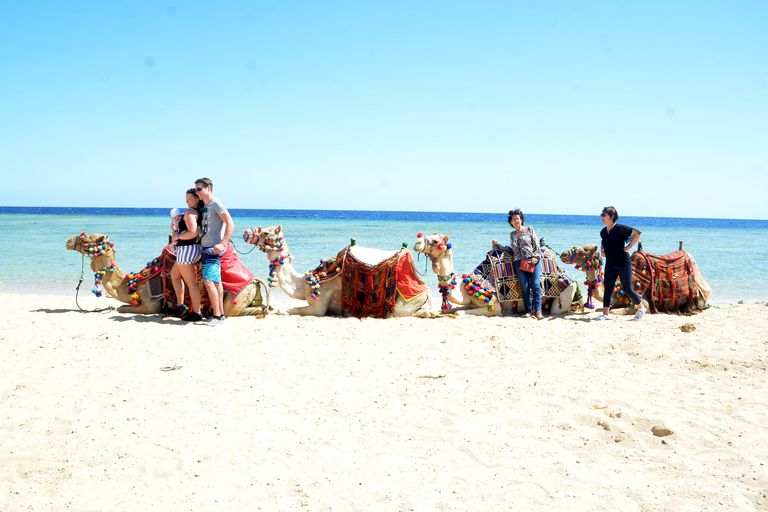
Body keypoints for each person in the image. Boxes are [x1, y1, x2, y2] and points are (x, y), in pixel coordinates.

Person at [594, 206, 647, 321]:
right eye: (601, 215)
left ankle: (641, 308)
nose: (602, 217)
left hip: (623, 263)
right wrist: (603, 251)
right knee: (608, 288)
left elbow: (638, 233)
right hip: (610, 263)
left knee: (627, 289)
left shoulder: (620, 229)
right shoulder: (603, 231)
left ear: (612, 216)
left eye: (604, 215)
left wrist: (629, 247)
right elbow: (603, 242)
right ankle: (605, 314)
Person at [193, 177, 234, 326]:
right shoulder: (205, 206)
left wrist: (223, 243)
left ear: (208, 188)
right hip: (206, 247)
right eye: (196, 189)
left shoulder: (216, 203)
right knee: (216, 282)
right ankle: (220, 314)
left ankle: (216, 316)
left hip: (213, 248)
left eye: (199, 189)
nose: (197, 192)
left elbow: (230, 224)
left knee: (209, 281)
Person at [492, 209, 543, 320]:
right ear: (511, 222)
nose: (516, 221)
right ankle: (528, 311)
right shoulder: (512, 234)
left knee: (535, 285)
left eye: (518, 218)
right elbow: (513, 251)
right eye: (513, 219)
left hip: (532, 260)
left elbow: (536, 245)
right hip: (518, 262)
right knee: (524, 287)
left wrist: (535, 257)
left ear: (521, 220)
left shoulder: (529, 229)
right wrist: (501, 247)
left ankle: (538, 311)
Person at [169, 190, 204, 322]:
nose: (187, 201)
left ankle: (197, 313)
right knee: (174, 275)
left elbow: (193, 233)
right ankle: (180, 305)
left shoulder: (190, 213)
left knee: (192, 284)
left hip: (186, 249)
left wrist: (176, 236)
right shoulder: (197, 212)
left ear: (197, 199)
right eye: (186, 199)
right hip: (192, 249)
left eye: (189, 199)